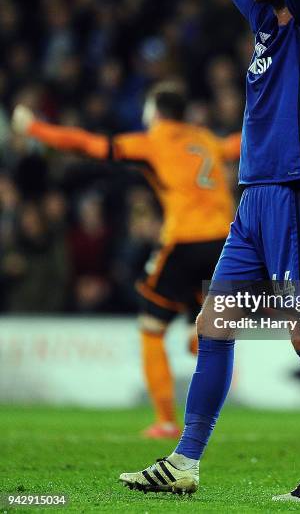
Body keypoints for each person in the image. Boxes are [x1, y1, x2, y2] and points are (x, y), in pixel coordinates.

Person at [119, 0, 300, 502]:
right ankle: (185, 462)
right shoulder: (268, 28)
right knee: (213, 326)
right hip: (253, 200)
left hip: (297, 193)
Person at [11, 81, 240, 438]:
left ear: (155, 112)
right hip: (227, 243)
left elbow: (88, 145)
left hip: (185, 241)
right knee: (210, 333)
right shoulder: (205, 140)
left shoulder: (153, 141)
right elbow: (240, 144)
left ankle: (166, 420)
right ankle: (202, 335)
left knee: (151, 328)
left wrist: (33, 127)